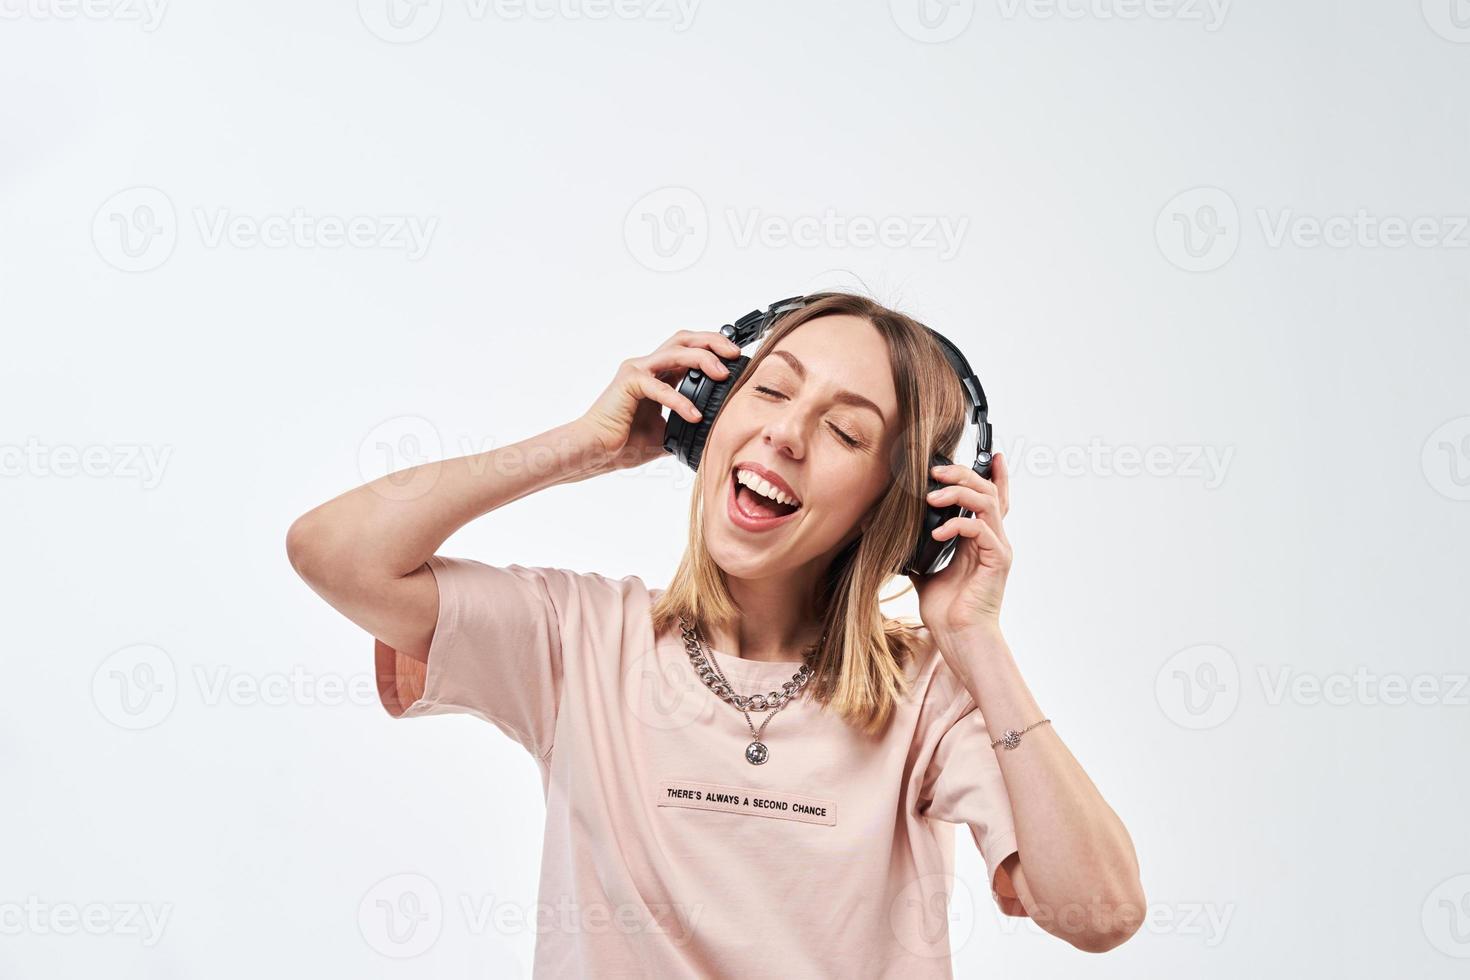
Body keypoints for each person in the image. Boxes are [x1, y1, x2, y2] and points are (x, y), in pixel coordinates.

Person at [286, 292, 1145, 977]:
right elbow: (332, 552)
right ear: (704, 414)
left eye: (846, 431)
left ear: (906, 507)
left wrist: (974, 638)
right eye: (770, 389)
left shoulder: (929, 695)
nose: (785, 432)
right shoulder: (577, 639)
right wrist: (578, 448)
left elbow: (1099, 912)